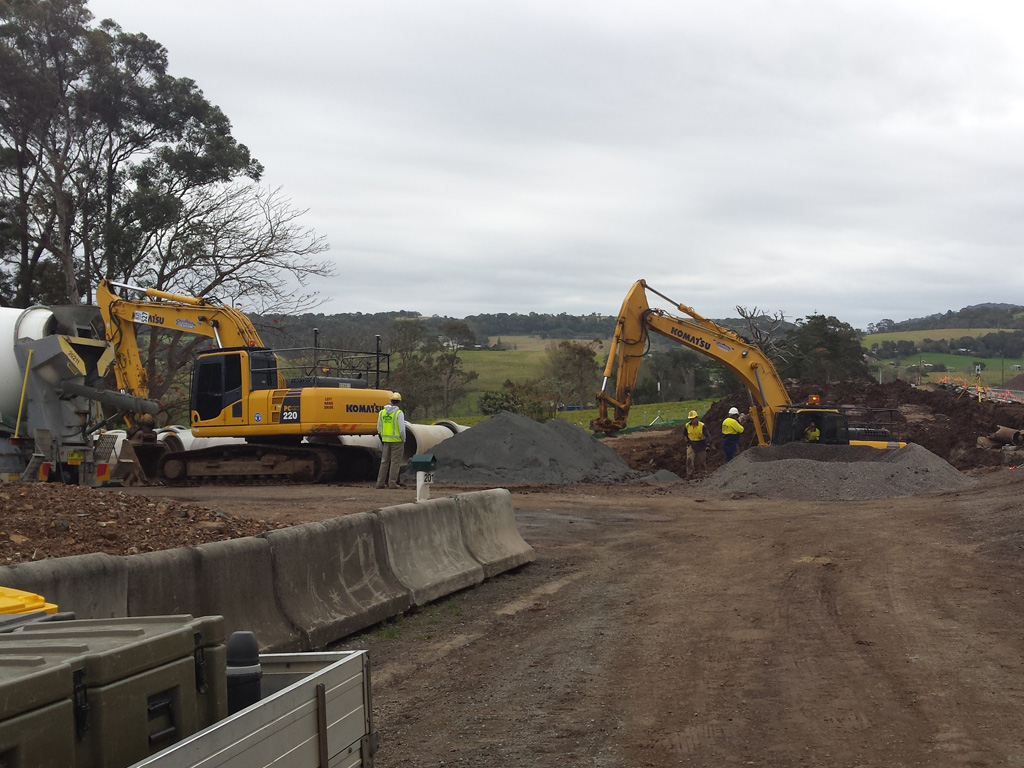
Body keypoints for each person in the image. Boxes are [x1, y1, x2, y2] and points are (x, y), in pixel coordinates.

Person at [376, 392, 407, 489]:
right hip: (397, 441)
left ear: (391, 401)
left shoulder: (382, 412)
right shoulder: (398, 413)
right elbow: (402, 429)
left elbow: (379, 428)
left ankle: (380, 483)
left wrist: (384, 436)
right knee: (395, 462)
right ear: (399, 402)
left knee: (384, 461)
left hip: (386, 440)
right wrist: (403, 438)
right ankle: (392, 483)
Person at [684, 409, 710, 480]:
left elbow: (707, 436)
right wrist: (687, 442)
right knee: (689, 460)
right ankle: (689, 475)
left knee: (702, 461)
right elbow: (685, 435)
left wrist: (707, 445)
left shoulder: (702, 426)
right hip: (691, 444)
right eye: (691, 419)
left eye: (693, 418)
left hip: (701, 444)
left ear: (696, 418)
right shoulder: (687, 426)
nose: (692, 420)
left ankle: (704, 474)